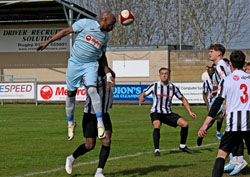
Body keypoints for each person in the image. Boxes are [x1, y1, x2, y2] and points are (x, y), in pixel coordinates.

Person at [37, 12, 116, 140]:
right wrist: (48, 42)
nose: (112, 27)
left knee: (92, 89)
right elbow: (66, 31)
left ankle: (100, 122)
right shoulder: (86, 23)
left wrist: (107, 73)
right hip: (75, 62)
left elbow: (102, 56)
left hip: (90, 64)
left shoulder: (105, 37)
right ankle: (70, 123)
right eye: (112, 24)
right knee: (70, 93)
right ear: (104, 20)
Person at [198, 50, 250, 177]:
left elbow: (217, 104)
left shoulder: (227, 80)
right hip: (249, 122)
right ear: (244, 64)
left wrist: (205, 125)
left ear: (230, 63)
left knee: (221, 155)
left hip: (233, 124)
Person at [65, 64, 115, 177]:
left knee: (106, 141)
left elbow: (111, 76)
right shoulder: (89, 76)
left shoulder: (109, 74)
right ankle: (71, 158)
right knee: (90, 145)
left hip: (104, 114)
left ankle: (99, 172)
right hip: (90, 115)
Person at [139, 67, 197, 156]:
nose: (164, 75)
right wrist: (142, 97)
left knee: (185, 124)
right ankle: (157, 150)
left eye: (166, 73)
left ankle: (182, 146)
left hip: (168, 113)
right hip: (156, 112)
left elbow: (183, 98)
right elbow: (143, 94)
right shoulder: (154, 85)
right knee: (157, 125)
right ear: (159, 75)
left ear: (169, 75)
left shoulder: (172, 87)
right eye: (162, 73)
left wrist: (190, 111)